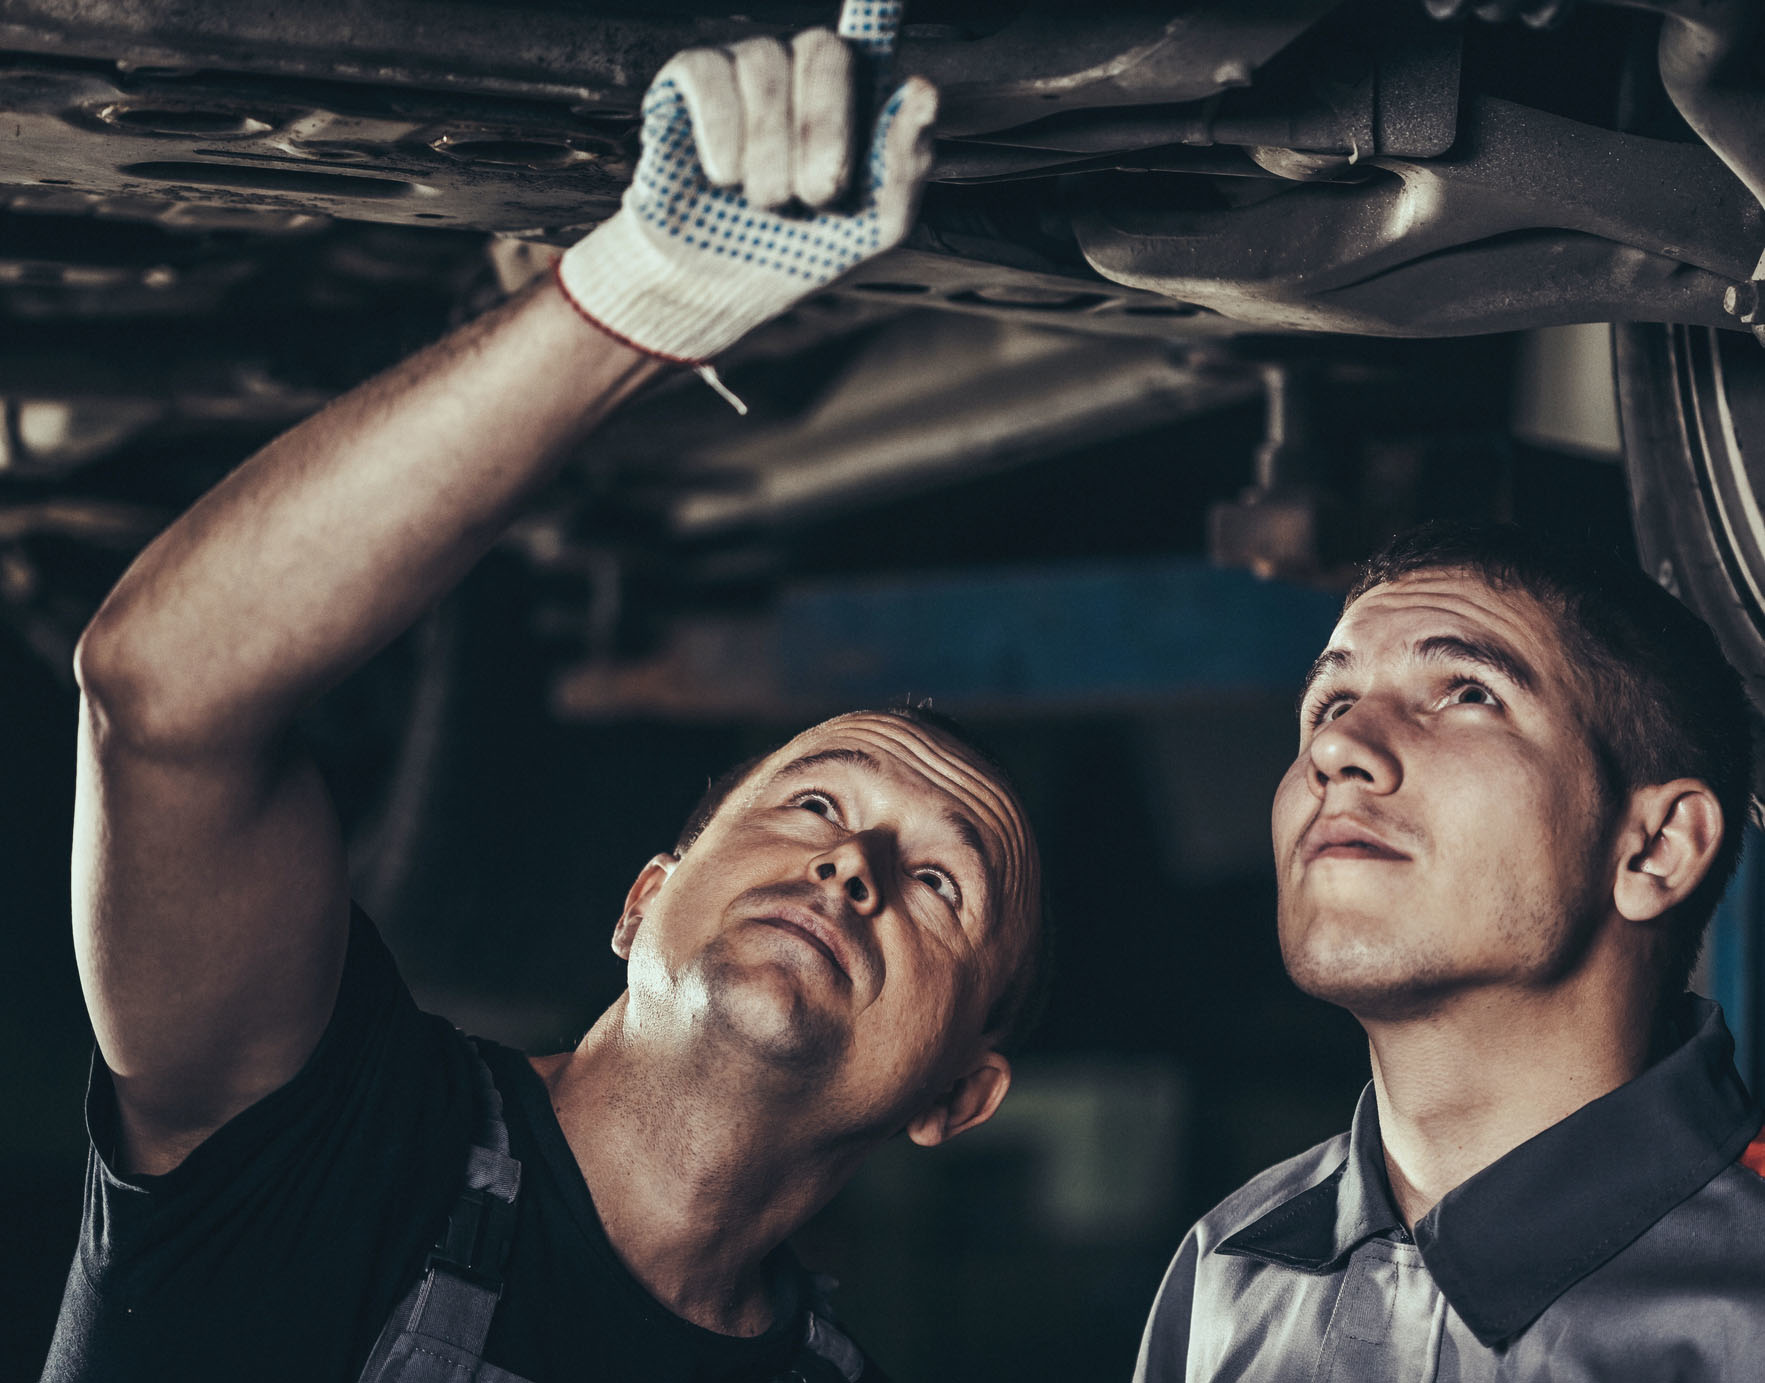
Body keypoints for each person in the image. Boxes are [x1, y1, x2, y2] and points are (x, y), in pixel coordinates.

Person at [42, 6, 1048, 1380]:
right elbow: (163, 695)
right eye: (815, 798)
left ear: (959, 1093)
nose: (848, 862)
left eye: (943, 883)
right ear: (643, 898)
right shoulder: (331, 1124)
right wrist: (640, 295)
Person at [1135, 521, 1765, 1382]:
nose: (1335, 748)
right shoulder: (1226, 1273)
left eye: (1467, 693)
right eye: (1328, 704)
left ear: (1653, 847)